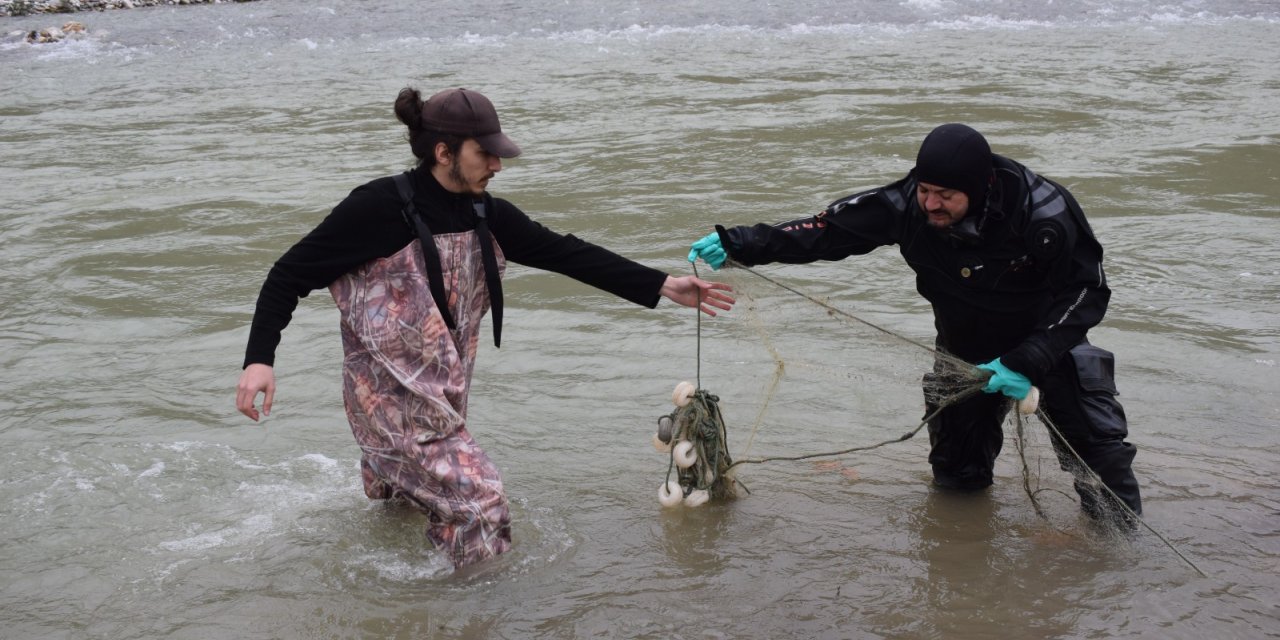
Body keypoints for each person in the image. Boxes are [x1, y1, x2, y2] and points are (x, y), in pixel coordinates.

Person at [236, 87, 735, 569]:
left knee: (407, 504)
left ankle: (399, 603)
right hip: (388, 394)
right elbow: (288, 275)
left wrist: (662, 284)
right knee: (482, 502)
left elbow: (562, 251)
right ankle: (473, 609)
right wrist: (259, 359)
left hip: (443, 384)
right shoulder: (376, 209)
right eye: (486, 154)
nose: (497, 165)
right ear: (443, 151)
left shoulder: (482, 211)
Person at [688, 123, 1141, 526]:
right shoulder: (906, 204)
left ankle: (1119, 571)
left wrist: (1031, 359)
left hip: (1048, 347)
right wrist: (740, 243)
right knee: (955, 478)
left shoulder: (1043, 213)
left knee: (1102, 469)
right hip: (963, 353)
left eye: (946, 195)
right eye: (926, 190)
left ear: (979, 188)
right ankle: (963, 555)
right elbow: (826, 231)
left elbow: (1087, 292)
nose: (931, 204)